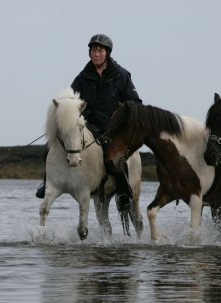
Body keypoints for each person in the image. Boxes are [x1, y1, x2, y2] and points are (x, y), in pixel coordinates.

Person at [36, 33, 142, 211]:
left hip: (111, 127)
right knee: (51, 146)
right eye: (93, 50)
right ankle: (46, 183)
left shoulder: (121, 76)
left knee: (113, 157)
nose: (96, 54)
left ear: (107, 53)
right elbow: (70, 99)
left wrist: (122, 116)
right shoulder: (83, 76)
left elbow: (136, 104)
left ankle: (125, 193)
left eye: (100, 50)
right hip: (88, 125)